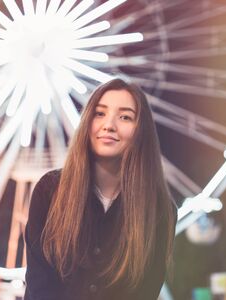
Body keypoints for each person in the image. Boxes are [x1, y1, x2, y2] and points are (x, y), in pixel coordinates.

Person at [24, 78, 177, 300]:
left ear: (140, 131)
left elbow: (146, 292)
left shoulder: (160, 210)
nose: (109, 125)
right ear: (87, 121)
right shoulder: (50, 192)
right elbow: (39, 285)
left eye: (125, 117)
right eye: (100, 113)